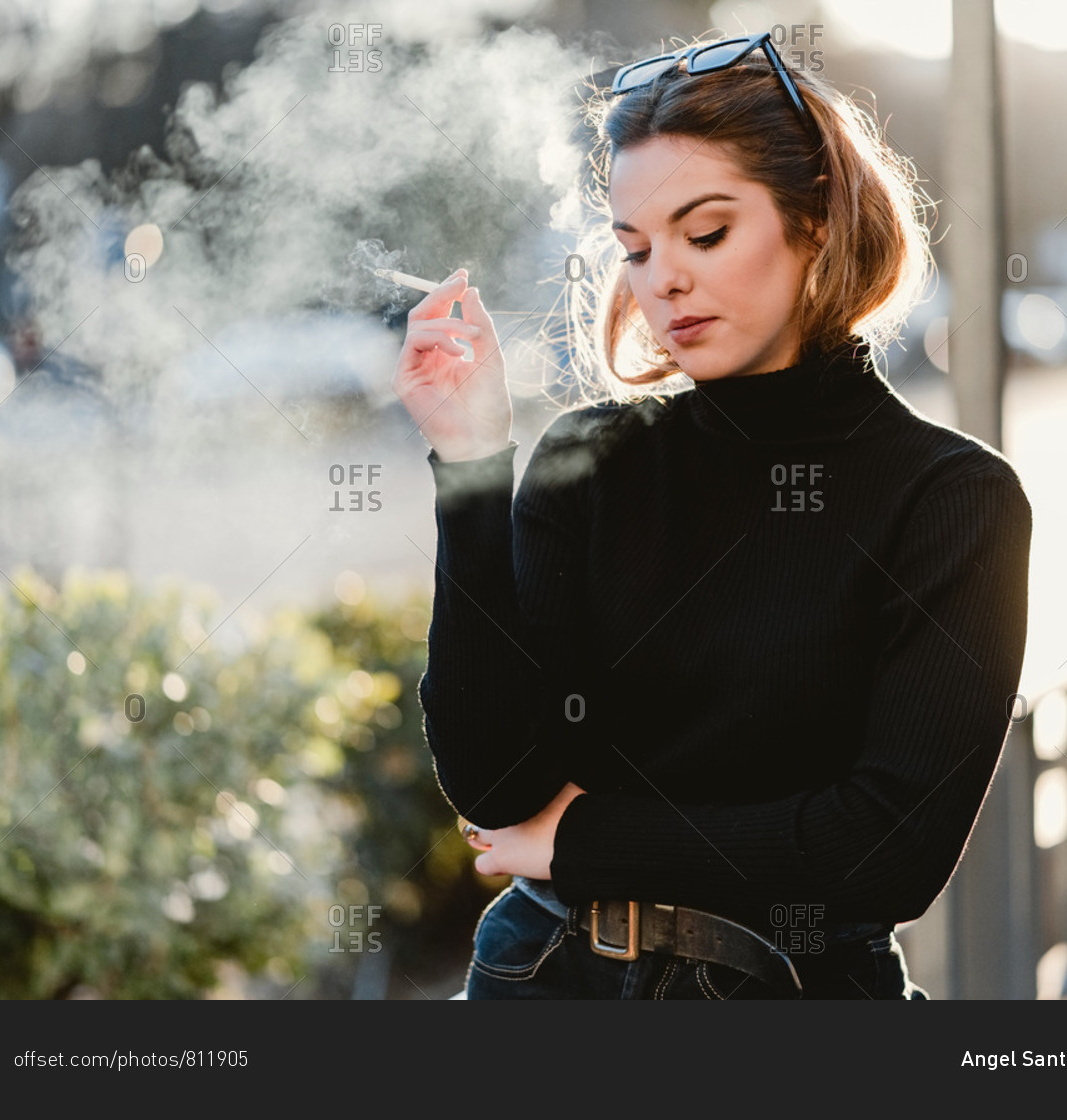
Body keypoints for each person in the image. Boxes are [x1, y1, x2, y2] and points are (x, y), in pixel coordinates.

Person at [392, 32, 1032, 999]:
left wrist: (579, 839)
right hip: (540, 981)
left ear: (816, 221)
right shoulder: (589, 458)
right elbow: (496, 783)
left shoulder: (949, 501)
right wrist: (474, 462)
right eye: (636, 248)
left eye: (706, 232)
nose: (664, 282)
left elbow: (884, 854)